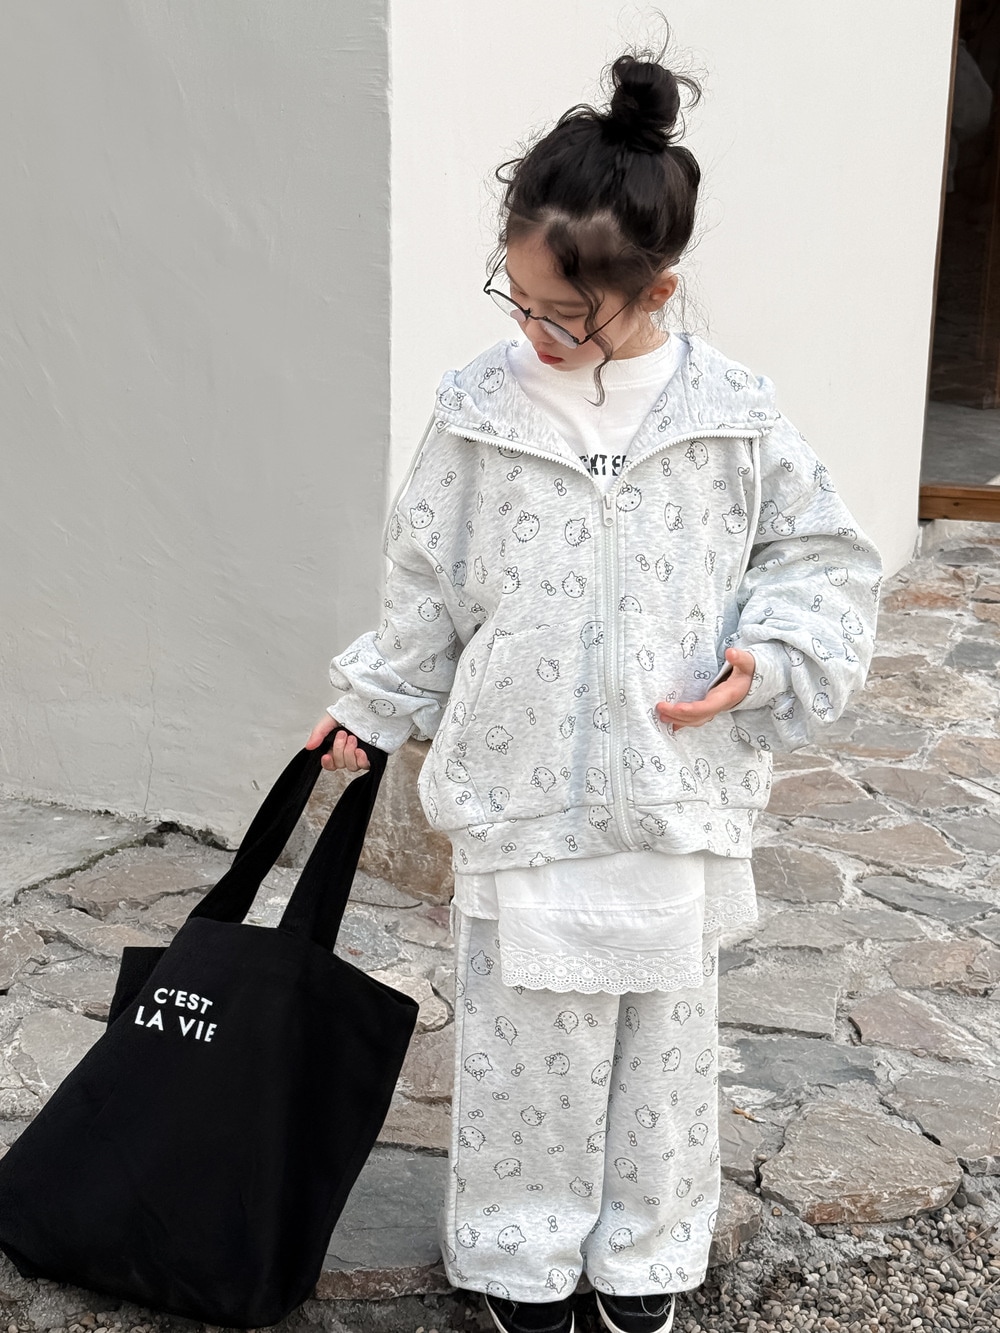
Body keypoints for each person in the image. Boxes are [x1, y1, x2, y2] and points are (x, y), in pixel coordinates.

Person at [306, 43, 881, 1333]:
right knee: (526, 1048)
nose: (535, 332)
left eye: (566, 316)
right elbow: (427, 584)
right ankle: (519, 1253)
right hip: (522, 791)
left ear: (656, 290)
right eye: (518, 301)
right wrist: (372, 704)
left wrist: (770, 656)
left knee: (662, 1048)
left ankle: (647, 1251)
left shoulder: (735, 415)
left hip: (676, 786)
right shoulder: (477, 410)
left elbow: (821, 556)